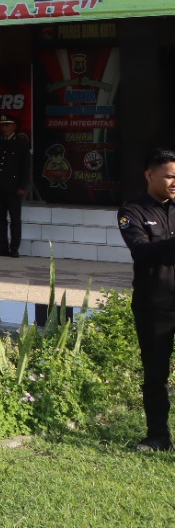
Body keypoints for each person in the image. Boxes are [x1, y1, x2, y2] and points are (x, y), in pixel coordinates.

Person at [117, 149, 175, 452]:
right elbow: (141, 251)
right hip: (154, 306)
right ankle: (158, 437)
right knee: (156, 374)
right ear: (150, 175)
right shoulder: (133, 211)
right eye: (170, 176)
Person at [0, 114, 30, 257]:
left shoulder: (21, 143)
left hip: (13, 187)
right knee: (0, 219)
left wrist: (22, 186)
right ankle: (2, 247)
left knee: (15, 219)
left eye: (7, 125)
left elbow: (26, 167)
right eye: (2, 125)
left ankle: (14, 248)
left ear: (14, 127)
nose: (4, 128)